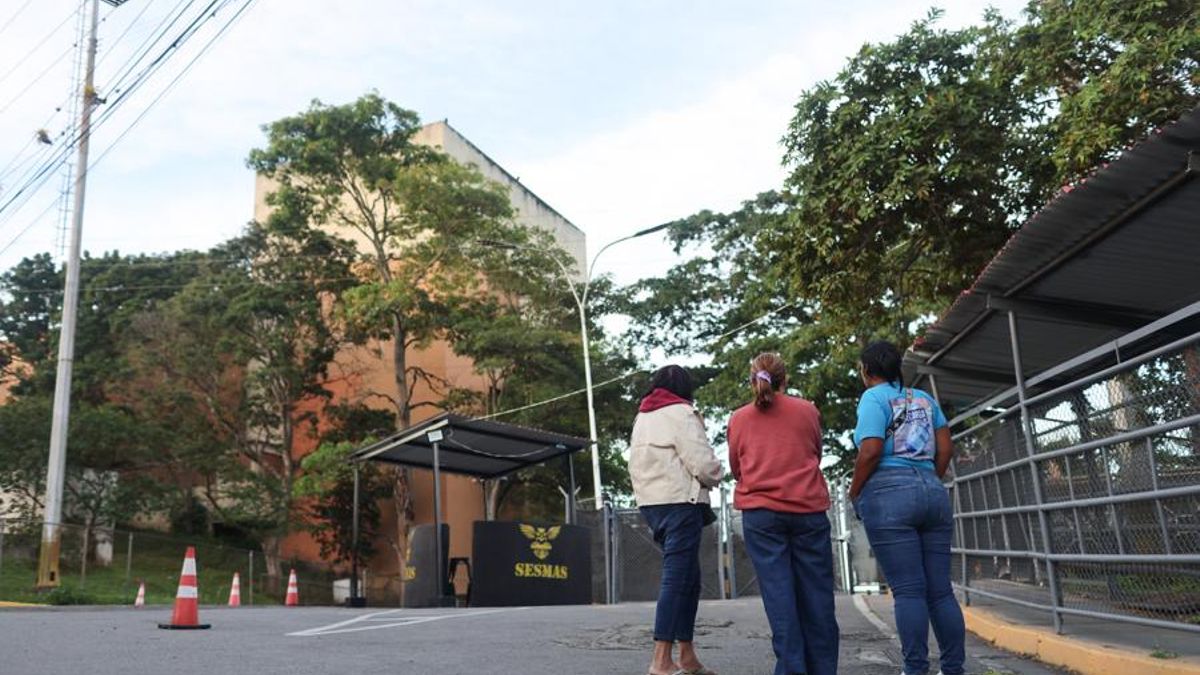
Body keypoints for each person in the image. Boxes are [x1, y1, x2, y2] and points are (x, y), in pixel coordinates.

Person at [849, 340, 964, 675]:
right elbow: (945, 450)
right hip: (932, 490)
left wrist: (855, 491)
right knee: (940, 591)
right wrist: (928, 479)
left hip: (889, 496)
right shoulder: (925, 399)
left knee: (909, 591)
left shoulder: (872, 398)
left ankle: (915, 669)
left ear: (866, 370)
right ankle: (953, 669)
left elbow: (871, 450)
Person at [727, 352, 838, 675]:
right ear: (784, 380)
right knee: (817, 596)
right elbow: (815, 452)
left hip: (761, 514)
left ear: (753, 380)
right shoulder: (807, 410)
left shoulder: (739, 418)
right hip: (807, 509)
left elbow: (736, 467)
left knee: (779, 597)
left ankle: (791, 669)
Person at [629, 364, 725, 675]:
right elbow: (702, 463)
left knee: (690, 579)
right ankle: (660, 660)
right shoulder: (682, 413)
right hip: (681, 502)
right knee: (677, 579)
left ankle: (687, 656)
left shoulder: (643, 417)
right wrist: (719, 474)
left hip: (652, 504)